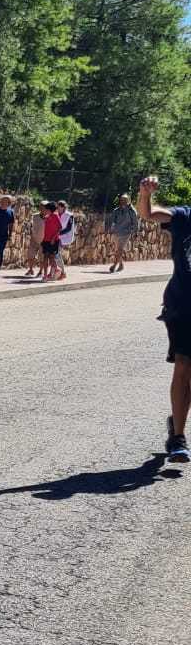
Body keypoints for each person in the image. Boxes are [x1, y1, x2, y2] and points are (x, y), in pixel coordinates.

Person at [136, 175, 191, 462]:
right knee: (184, 363)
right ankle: (178, 438)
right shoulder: (185, 216)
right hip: (183, 304)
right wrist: (145, 194)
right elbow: (148, 214)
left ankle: (175, 424)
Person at [107, 193, 137, 273]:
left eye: (125, 200)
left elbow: (135, 222)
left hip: (126, 233)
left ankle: (114, 265)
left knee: (120, 249)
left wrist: (135, 232)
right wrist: (111, 229)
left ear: (128, 201)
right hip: (117, 232)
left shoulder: (132, 211)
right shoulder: (116, 211)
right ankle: (121, 265)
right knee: (118, 250)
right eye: (122, 200)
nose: (123, 202)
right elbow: (113, 221)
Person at [22, 205, 48, 280]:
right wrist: (30, 231)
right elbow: (29, 225)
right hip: (33, 240)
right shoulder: (34, 216)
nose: (43, 209)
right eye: (42, 207)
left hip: (44, 241)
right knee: (30, 255)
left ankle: (40, 271)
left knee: (42, 258)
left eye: (45, 208)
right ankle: (30, 269)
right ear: (40, 208)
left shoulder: (49, 218)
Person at [39, 202, 63, 282]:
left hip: (53, 240)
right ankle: (46, 275)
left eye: (46, 209)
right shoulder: (47, 216)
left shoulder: (55, 215)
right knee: (45, 257)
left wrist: (53, 238)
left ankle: (56, 269)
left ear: (49, 209)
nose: (44, 210)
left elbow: (60, 228)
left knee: (51, 257)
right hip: (46, 240)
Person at [56, 199, 76, 277]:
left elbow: (68, 228)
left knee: (56, 254)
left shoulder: (69, 215)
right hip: (56, 236)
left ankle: (62, 272)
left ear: (64, 208)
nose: (58, 209)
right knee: (55, 254)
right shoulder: (56, 214)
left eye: (60, 207)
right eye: (57, 207)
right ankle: (59, 271)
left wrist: (58, 233)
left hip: (65, 237)